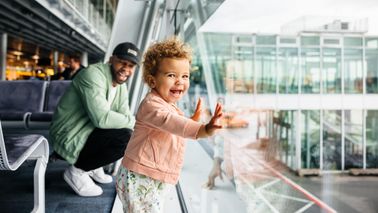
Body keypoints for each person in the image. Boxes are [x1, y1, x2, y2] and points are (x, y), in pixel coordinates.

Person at [115, 37, 223, 213]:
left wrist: (193, 119)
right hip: (141, 177)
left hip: (149, 176)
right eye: (171, 75)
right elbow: (172, 123)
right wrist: (204, 129)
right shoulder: (152, 105)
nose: (180, 81)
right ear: (152, 81)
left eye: (185, 76)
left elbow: (174, 128)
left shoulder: (166, 103)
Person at [49, 42, 140, 197]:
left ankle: (92, 164)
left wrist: (131, 122)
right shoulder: (92, 74)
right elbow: (101, 119)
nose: (126, 69)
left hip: (88, 129)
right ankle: (77, 171)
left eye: (131, 66)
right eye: (122, 63)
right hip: (69, 133)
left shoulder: (121, 86)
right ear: (111, 59)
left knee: (127, 133)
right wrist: (135, 121)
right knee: (126, 139)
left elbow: (123, 117)